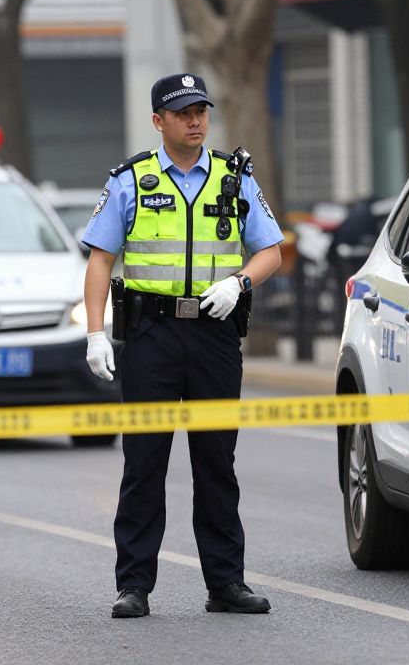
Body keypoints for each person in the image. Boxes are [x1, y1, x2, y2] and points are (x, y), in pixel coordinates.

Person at [81, 73, 284, 618]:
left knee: (216, 461)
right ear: (158, 122)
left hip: (216, 331)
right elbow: (100, 258)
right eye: (183, 113)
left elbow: (271, 251)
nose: (196, 121)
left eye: (201, 111)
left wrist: (238, 282)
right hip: (152, 333)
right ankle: (134, 586)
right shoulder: (132, 180)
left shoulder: (233, 177)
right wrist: (95, 332)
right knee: (144, 462)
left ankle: (225, 583)